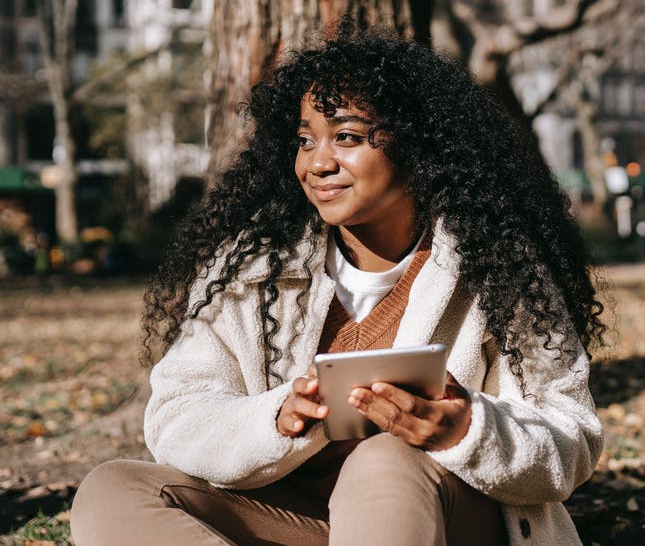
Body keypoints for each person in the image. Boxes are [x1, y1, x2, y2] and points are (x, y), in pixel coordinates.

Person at [70, 34, 608, 545]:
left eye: (347, 137)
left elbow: (572, 435)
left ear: (420, 148)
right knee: (113, 490)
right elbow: (177, 414)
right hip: (293, 520)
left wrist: (466, 428)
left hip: (445, 519)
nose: (318, 162)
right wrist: (277, 418)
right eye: (306, 140)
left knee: (385, 460)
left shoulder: (498, 271)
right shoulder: (253, 269)